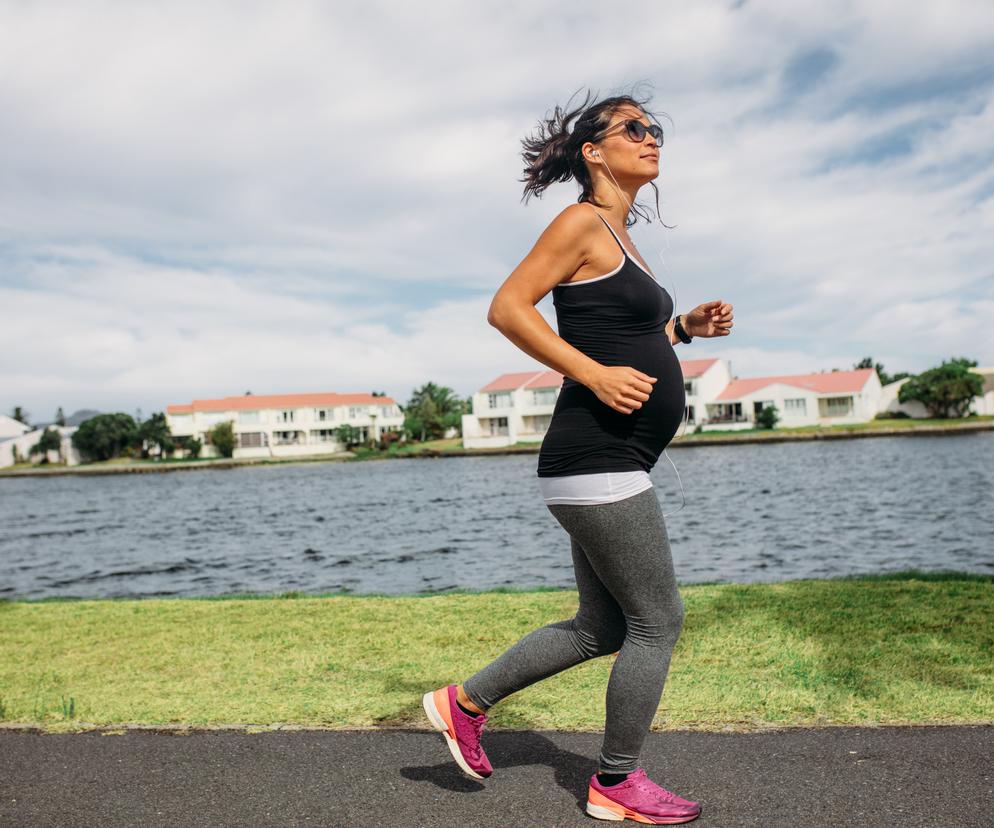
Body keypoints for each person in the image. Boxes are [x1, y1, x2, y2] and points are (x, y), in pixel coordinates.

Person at [422, 89, 734, 825]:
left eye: (655, 128)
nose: (651, 137)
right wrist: (590, 374)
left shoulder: (622, 238)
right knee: (659, 620)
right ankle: (617, 783)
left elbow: (620, 334)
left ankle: (463, 703)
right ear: (594, 151)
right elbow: (508, 307)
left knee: (604, 627)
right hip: (596, 456)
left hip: (607, 460)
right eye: (633, 128)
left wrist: (681, 329)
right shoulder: (580, 221)